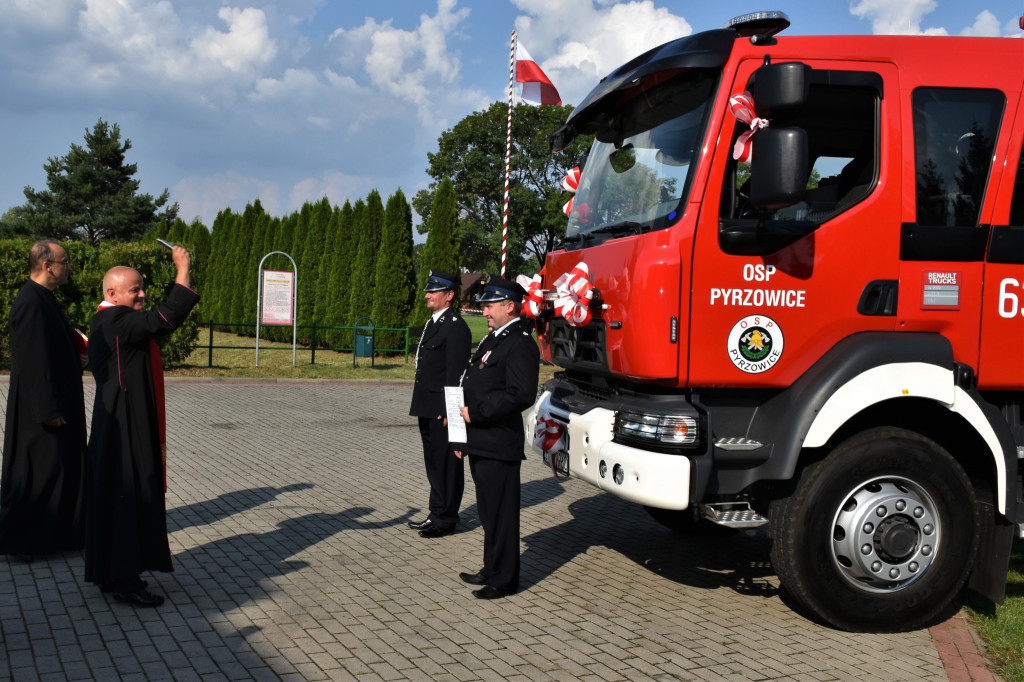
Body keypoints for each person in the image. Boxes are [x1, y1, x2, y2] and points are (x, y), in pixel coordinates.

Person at [84, 246, 199, 607]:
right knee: (130, 499)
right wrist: (183, 268)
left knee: (112, 499)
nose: (142, 294)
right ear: (112, 294)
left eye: (142, 288)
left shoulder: (104, 321)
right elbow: (165, 319)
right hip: (127, 427)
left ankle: (109, 572)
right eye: (135, 289)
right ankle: (127, 582)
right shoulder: (116, 321)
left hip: (113, 424)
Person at [0, 241, 87, 561]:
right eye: (65, 262)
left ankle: (59, 535)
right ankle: (25, 543)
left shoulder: (44, 299)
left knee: (59, 470)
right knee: (39, 475)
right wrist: (48, 409)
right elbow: (33, 361)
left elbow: (51, 348)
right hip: (43, 412)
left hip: (57, 403)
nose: (69, 267)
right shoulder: (31, 303)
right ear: (47, 265)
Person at [454, 276, 539, 599]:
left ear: (510, 306)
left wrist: (478, 413)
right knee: (489, 512)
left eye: (490, 305)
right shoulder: (495, 339)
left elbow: (521, 395)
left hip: (499, 442)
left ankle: (505, 579)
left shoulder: (519, 342)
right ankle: (491, 567)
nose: (484, 311)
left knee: (502, 516)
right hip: (481, 441)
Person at [407, 270, 472, 538]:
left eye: (434, 290)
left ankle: (446, 519)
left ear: (449, 295)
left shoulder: (455, 326)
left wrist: (449, 410)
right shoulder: (434, 323)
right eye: (428, 290)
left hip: (442, 409)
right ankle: (436, 512)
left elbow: (455, 373)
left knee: (447, 464)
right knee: (433, 462)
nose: (427, 294)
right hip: (427, 404)